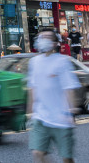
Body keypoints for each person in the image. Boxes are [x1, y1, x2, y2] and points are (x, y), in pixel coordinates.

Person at [27, 29, 81, 163]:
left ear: (55, 43)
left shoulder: (62, 61)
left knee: (66, 158)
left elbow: (69, 88)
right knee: (37, 152)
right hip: (40, 116)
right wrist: (30, 112)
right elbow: (32, 88)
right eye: (41, 37)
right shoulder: (34, 62)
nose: (42, 40)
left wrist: (72, 110)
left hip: (61, 118)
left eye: (47, 37)